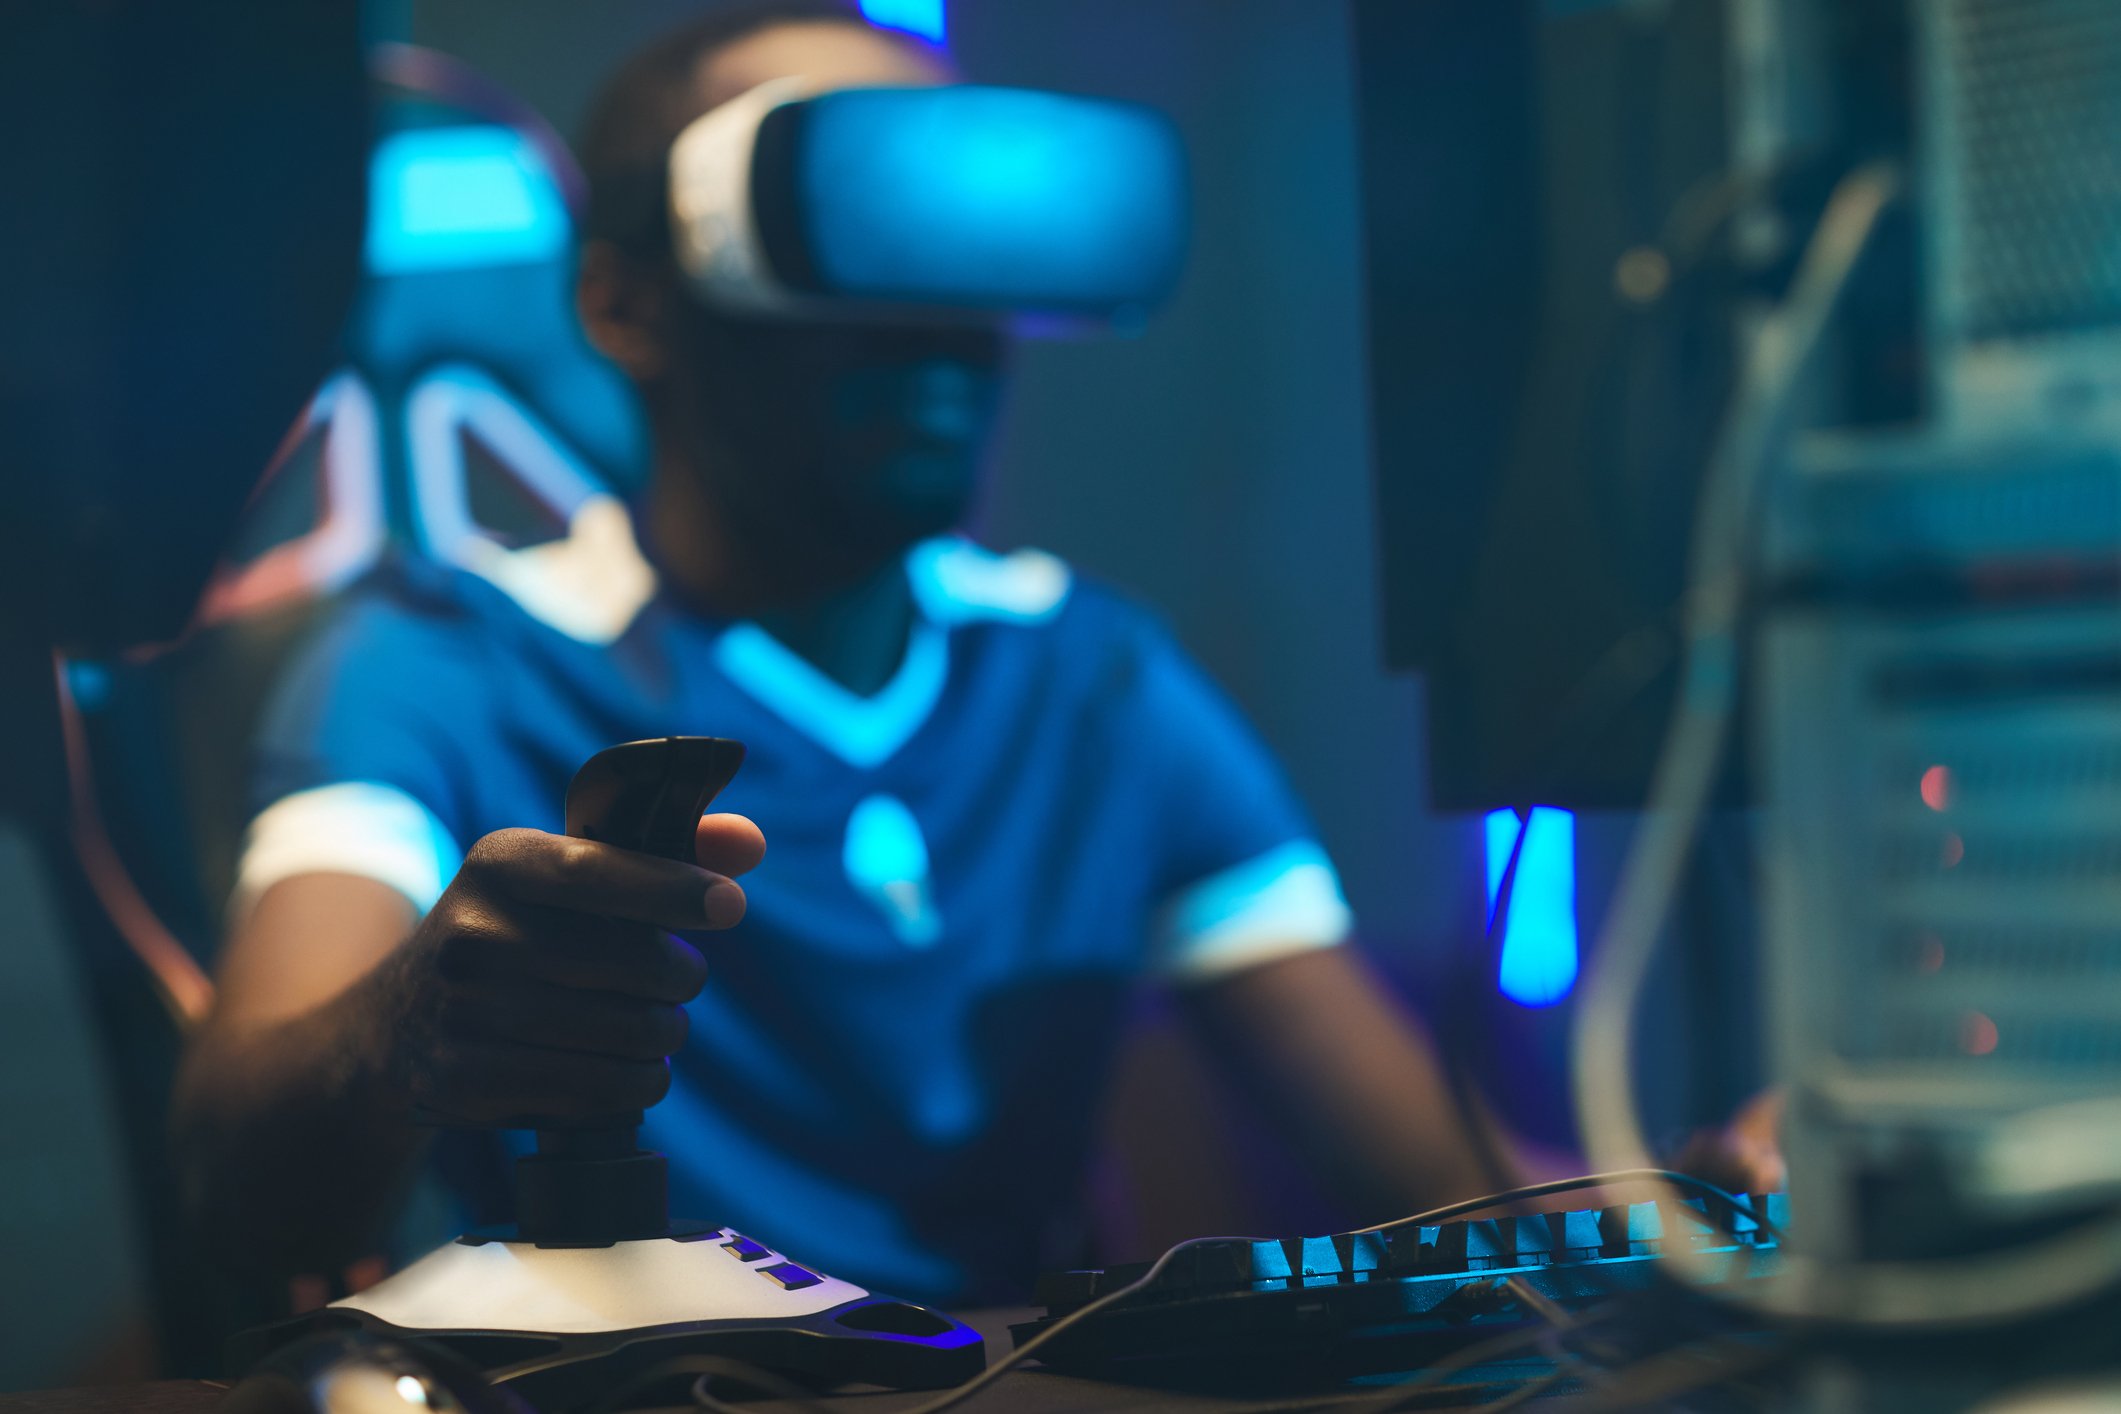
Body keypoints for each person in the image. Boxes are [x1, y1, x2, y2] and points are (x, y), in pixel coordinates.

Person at [172, 0, 1750, 1307]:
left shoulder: (1088, 683)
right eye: (852, 223)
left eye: (966, 235)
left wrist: (1722, 1200)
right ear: (625, 302)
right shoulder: (444, 665)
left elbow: (1435, 1186)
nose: (938, 319)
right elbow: (244, 1161)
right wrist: (421, 1020)